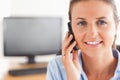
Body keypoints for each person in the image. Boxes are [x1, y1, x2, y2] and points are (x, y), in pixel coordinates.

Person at [46, 0, 120, 80]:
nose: (92, 33)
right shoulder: (57, 67)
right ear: (71, 29)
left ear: (116, 27)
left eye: (102, 22)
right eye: (82, 23)